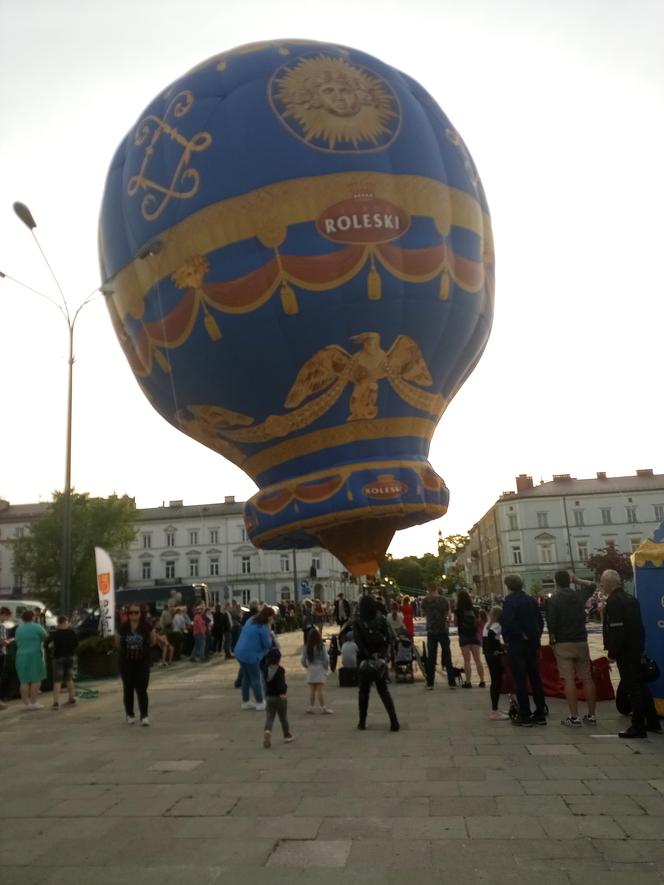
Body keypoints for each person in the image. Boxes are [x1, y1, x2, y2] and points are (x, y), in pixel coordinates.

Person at [596, 569, 661, 739]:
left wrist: (612, 652)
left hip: (626, 652)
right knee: (641, 686)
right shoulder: (630, 599)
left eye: (603, 582)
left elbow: (618, 630)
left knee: (634, 689)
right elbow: (637, 627)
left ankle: (638, 727)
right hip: (636, 648)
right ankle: (652, 721)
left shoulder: (615, 602)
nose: (602, 585)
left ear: (611, 583)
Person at [548, 570, 597, 728]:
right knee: (587, 678)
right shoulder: (578, 596)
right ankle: (591, 715)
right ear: (570, 581)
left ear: (556, 582)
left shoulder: (554, 599)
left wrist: (552, 639)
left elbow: (552, 622)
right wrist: (577, 580)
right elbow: (592, 585)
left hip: (563, 642)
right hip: (581, 640)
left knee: (569, 679)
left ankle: (574, 717)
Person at [501, 575, 546, 727]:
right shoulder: (531, 600)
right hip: (532, 644)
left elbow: (507, 622)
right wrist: (535, 637)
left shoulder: (509, 601)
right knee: (535, 679)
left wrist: (516, 635)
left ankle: (525, 714)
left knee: (520, 680)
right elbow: (539, 621)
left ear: (509, 586)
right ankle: (540, 712)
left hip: (517, 644)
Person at [353, 595, 399, 731]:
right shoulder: (381, 618)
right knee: (383, 691)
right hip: (379, 659)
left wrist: (367, 654)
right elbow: (391, 637)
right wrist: (384, 654)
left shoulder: (358, 620)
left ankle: (362, 722)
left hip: (364, 659)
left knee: (363, 692)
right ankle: (394, 720)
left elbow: (357, 641)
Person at [115, 605, 156, 726]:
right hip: (127, 662)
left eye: (136, 612)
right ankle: (130, 714)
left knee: (142, 689)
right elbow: (117, 642)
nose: (133, 615)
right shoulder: (123, 627)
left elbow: (153, 641)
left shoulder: (146, 626)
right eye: (131, 613)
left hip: (142, 662)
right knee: (128, 689)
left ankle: (144, 715)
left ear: (140, 613)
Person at [233, 605, 274, 711]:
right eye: (272, 617)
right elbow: (267, 645)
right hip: (250, 655)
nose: (273, 620)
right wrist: (271, 635)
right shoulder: (264, 627)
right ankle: (260, 702)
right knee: (256, 678)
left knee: (246, 677)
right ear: (268, 617)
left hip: (239, 651)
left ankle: (245, 701)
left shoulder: (251, 620)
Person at [421, 585, 456, 690]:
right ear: (437, 590)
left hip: (431, 631)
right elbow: (447, 613)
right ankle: (452, 683)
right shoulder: (444, 600)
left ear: (429, 590)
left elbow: (423, 613)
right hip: (443, 630)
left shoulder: (425, 600)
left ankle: (430, 683)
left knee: (431, 658)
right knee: (447, 655)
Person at [15, 610, 48, 711]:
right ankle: (34, 702)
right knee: (36, 679)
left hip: (20, 655)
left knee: (24, 680)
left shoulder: (19, 629)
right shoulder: (37, 627)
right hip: (34, 655)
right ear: (33, 617)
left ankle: (26, 703)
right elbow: (45, 637)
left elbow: (17, 641)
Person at [263, 647, 294, 748]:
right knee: (283, 718)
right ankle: (287, 735)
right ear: (278, 659)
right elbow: (281, 683)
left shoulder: (265, 669)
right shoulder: (280, 670)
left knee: (270, 717)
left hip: (269, 697)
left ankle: (267, 731)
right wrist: (283, 692)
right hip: (279, 697)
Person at [455, 589, 486, 688]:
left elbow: (455, 623)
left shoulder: (457, 610)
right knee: (478, 660)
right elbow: (478, 621)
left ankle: (468, 682)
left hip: (464, 635)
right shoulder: (475, 609)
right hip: (474, 635)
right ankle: (482, 681)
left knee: (467, 660)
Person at [482, 607, 508, 720]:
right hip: (494, 655)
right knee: (497, 681)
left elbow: (487, 639)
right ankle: (494, 711)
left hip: (488, 654)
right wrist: (499, 649)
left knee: (494, 680)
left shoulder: (487, 625)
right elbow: (493, 636)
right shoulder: (496, 625)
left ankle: (495, 709)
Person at [47, 616, 79, 709]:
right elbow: (77, 644)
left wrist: (50, 653)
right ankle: (71, 698)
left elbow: (46, 643)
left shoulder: (55, 634)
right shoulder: (72, 632)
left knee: (57, 681)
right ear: (66, 622)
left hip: (58, 658)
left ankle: (56, 702)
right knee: (69, 679)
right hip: (70, 657)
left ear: (58, 623)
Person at [301, 627, 332, 713]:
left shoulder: (306, 647)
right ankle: (323, 708)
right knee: (319, 690)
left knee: (312, 690)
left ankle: (310, 707)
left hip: (311, 668)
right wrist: (326, 668)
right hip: (320, 668)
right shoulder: (321, 646)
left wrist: (307, 666)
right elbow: (326, 659)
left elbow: (303, 660)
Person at [0, 606, 13, 707]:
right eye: (7, 617)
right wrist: (11, 640)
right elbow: (3, 642)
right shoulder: (1, 627)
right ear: (3, 614)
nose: (7, 620)